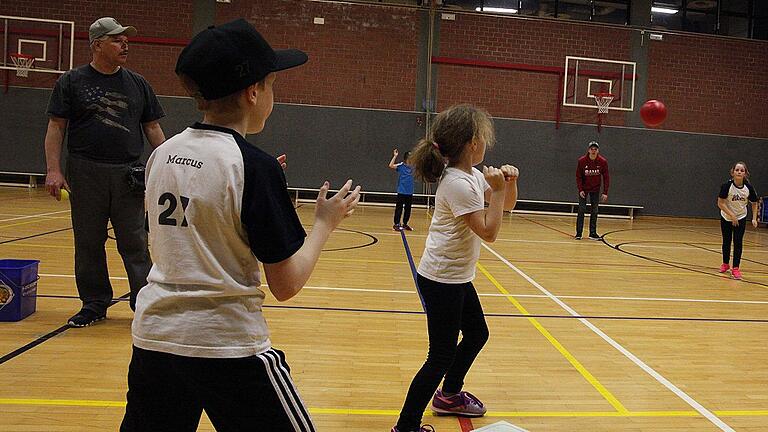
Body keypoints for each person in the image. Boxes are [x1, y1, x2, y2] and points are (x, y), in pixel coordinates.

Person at [120, 19, 361, 432]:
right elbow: (286, 284)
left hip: (155, 339)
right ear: (253, 92)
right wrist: (325, 223)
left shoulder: (163, 153)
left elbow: (199, 211)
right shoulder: (254, 166)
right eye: (271, 84)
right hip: (226, 344)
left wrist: (252, 187)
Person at [392, 105, 518, 432]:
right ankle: (405, 426)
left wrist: (509, 184)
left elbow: (505, 205)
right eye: (483, 138)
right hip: (441, 279)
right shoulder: (457, 184)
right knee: (440, 356)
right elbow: (489, 231)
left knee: (477, 333)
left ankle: (449, 395)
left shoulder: (473, 176)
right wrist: (499, 191)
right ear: (473, 143)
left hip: (457, 276)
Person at [44, 17, 166, 327]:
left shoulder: (138, 84)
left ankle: (144, 303)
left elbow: (153, 128)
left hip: (127, 174)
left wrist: (167, 165)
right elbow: (56, 127)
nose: (125, 44)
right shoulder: (71, 82)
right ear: (97, 45)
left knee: (135, 242)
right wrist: (53, 170)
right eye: (116, 40)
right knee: (88, 242)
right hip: (85, 172)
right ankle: (94, 304)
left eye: (126, 39)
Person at [717, 161, 758, 280]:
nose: (739, 172)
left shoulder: (748, 188)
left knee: (738, 242)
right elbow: (720, 203)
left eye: (742, 170)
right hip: (726, 217)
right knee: (726, 241)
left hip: (741, 217)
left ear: (745, 174)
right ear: (733, 172)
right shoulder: (727, 186)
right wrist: (731, 215)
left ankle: (735, 268)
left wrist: (754, 218)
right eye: (737, 170)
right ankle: (725, 264)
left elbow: (754, 203)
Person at [575, 140, 609, 240]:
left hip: (595, 189)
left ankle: (592, 233)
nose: (593, 151)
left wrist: (605, 192)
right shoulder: (582, 161)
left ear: (598, 151)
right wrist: (580, 189)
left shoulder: (602, 162)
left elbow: (606, 177)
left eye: (595, 149)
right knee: (581, 210)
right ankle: (579, 233)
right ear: (588, 150)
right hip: (584, 189)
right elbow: (578, 176)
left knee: (594, 210)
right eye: (591, 149)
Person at [389, 149, 415, 231]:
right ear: (406, 158)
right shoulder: (401, 166)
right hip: (401, 191)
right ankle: (396, 224)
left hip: (409, 192)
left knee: (408, 209)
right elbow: (391, 165)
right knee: (399, 208)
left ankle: (405, 224)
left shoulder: (414, 167)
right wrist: (395, 156)